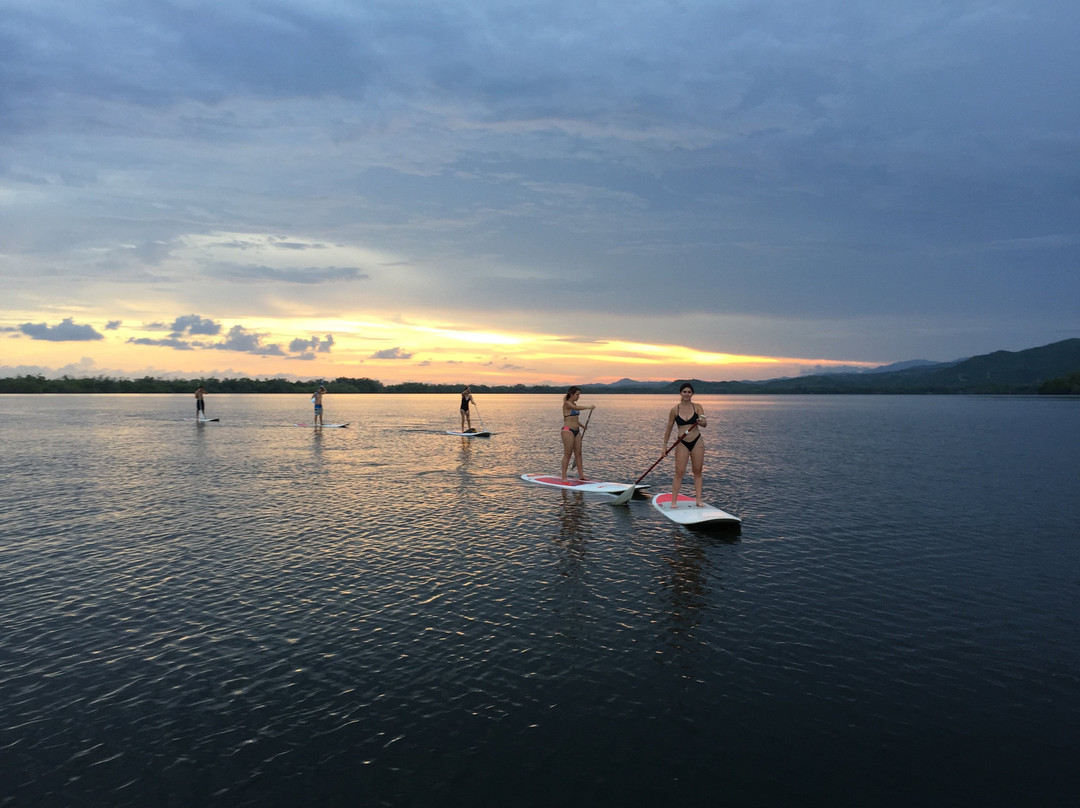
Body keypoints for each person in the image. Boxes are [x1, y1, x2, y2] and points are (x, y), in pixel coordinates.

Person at [663, 383, 707, 507]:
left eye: (689, 392)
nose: (687, 394)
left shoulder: (698, 407)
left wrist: (701, 421)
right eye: (684, 392)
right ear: (680, 393)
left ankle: (698, 500)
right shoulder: (674, 410)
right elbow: (669, 429)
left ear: (692, 394)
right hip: (682, 442)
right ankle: (673, 501)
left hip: (697, 441)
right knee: (679, 471)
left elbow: (704, 423)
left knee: (697, 471)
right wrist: (664, 446)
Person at [560, 386, 596, 482]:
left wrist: (582, 426)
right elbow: (575, 409)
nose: (579, 396)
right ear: (571, 394)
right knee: (568, 454)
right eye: (577, 394)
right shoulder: (567, 404)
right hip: (567, 431)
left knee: (578, 454)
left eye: (579, 394)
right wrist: (588, 407)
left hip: (577, 431)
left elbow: (574, 418)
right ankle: (564, 477)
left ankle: (581, 476)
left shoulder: (575, 403)